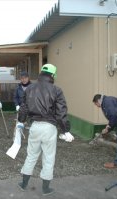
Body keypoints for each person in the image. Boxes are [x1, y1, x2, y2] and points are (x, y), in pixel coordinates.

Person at [17, 64, 73, 196]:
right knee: (48, 157)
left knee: (31, 155)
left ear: (41, 74)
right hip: (49, 128)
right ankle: (46, 189)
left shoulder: (29, 88)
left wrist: (21, 121)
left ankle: (23, 184)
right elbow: (61, 113)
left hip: (34, 126)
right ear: (52, 75)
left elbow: (23, 107)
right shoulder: (56, 90)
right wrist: (66, 130)